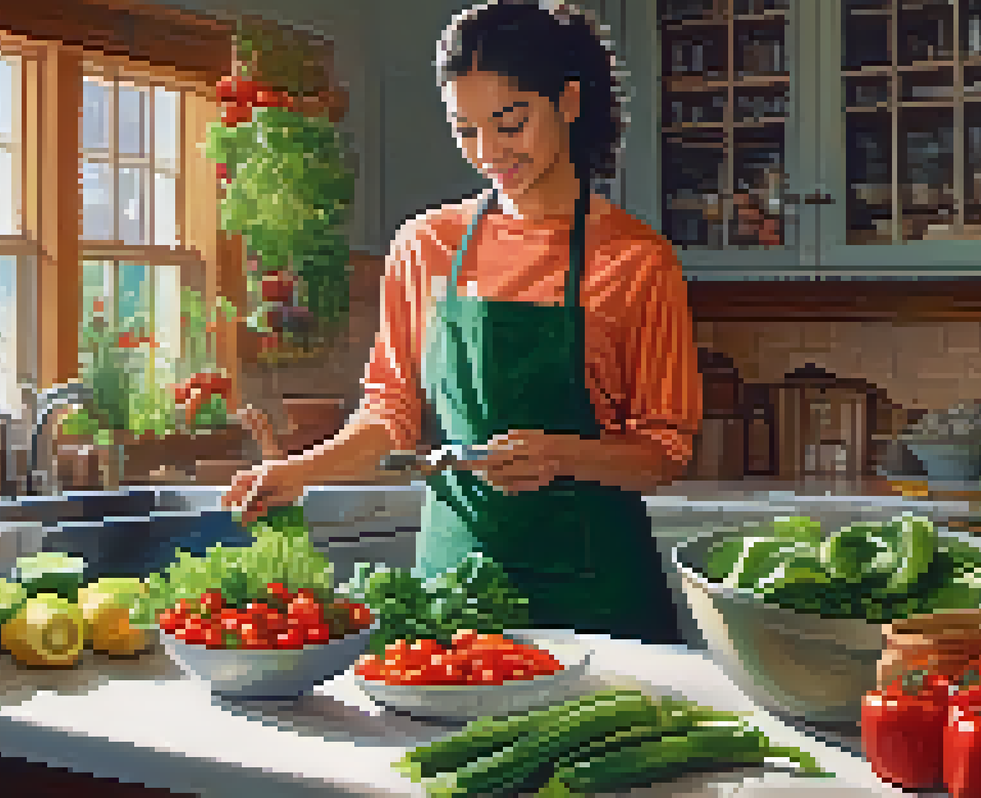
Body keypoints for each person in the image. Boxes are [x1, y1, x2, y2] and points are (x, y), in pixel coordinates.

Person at [223, 0, 701, 641]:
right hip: (452, 598)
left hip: (598, 594)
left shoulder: (639, 261)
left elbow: (663, 454)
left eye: (510, 123)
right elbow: (390, 417)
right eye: (466, 129)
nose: (490, 152)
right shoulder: (425, 246)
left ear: (567, 102)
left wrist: (559, 455)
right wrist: (298, 471)